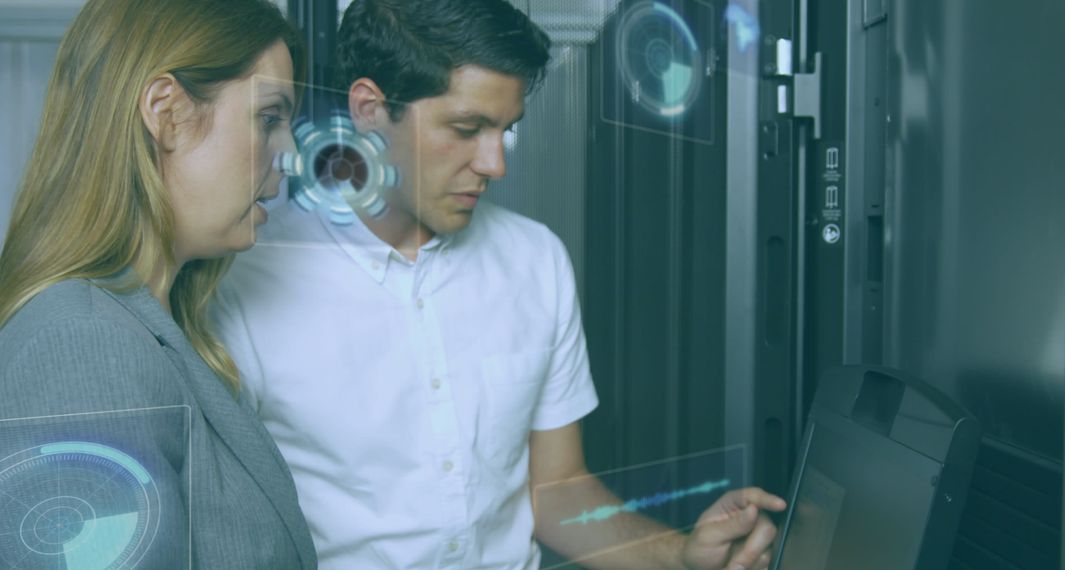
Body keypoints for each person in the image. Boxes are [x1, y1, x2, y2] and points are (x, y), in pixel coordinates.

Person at [212, 0, 784, 568]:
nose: (495, 164)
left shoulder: (536, 260)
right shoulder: (245, 279)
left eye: (506, 130)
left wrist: (680, 557)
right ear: (369, 108)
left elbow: (557, 489)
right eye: (467, 129)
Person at [0, 0, 317, 567]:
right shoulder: (82, 345)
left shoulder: (156, 328)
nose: (290, 152)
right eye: (269, 118)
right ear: (166, 113)